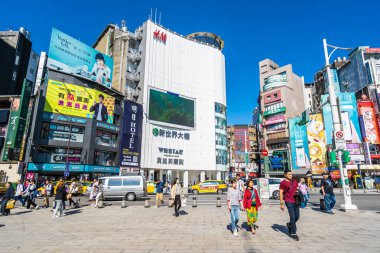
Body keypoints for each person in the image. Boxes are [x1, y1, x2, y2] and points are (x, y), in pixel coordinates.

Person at [279, 170, 300, 241]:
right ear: (285, 175)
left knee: (297, 216)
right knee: (293, 216)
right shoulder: (283, 183)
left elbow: (296, 189)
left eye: (291, 174)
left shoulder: (294, 181)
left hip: (296, 200)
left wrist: (298, 193)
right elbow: (281, 193)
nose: (291, 175)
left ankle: (290, 224)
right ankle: (293, 233)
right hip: (288, 200)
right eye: (289, 174)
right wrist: (281, 203)